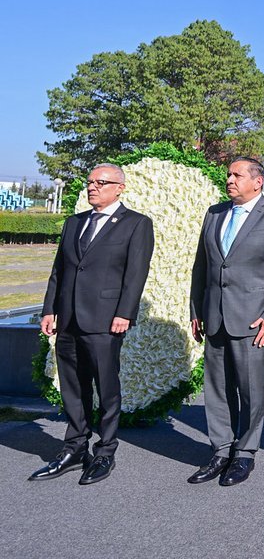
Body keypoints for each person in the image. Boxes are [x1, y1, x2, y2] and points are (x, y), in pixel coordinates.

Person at [30, 164, 154, 485]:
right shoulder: (74, 223)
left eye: (101, 182)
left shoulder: (136, 224)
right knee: (72, 384)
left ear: (119, 188)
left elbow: (135, 274)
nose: (93, 187)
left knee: (106, 386)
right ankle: (74, 447)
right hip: (68, 319)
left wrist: (124, 312)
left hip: (106, 320)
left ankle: (105, 450)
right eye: (90, 182)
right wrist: (49, 309)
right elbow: (60, 270)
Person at [188, 157, 264, 487]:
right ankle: (221, 449)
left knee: (249, 390)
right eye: (229, 174)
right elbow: (201, 268)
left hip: (253, 320)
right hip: (215, 316)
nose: (230, 179)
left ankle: (245, 453)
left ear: (257, 181)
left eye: (237, 175)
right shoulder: (215, 213)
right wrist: (196, 311)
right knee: (217, 389)